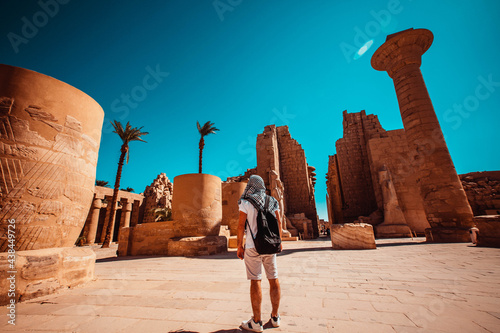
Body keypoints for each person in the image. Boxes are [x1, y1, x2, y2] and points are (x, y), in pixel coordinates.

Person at [237, 175, 282, 332]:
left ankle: (256, 322)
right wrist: (279, 242)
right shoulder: (272, 201)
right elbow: (278, 221)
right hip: (270, 245)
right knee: (273, 278)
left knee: (255, 280)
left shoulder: (246, 202)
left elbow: (241, 225)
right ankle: (275, 317)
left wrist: (239, 246)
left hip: (252, 246)